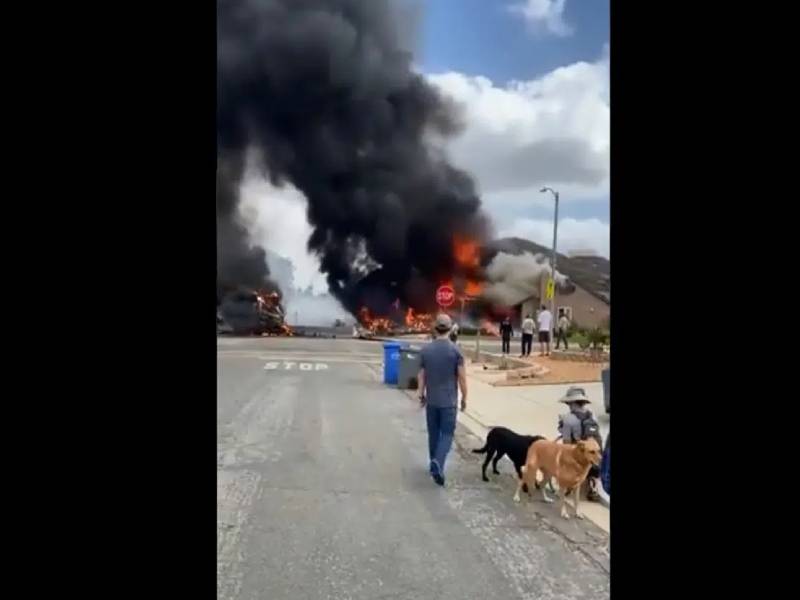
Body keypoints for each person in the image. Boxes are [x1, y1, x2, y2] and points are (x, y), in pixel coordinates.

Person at [418, 314, 468, 486]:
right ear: (450, 328)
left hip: (432, 401)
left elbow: (422, 375)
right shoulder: (455, 351)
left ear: (435, 328)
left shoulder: (426, 350)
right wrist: (465, 397)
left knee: (433, 433)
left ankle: (433, 463)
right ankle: (438, 463)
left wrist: (420, 394)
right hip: (449, 402)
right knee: (446, 434)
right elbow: (462, 377)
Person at [557, 387, 603, 502]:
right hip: (596, 447)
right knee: (595, 462)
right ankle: (593, 487)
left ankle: (569, 485)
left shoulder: (568, 419)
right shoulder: (592, 415)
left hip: (581, 449)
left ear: (571, 403)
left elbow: (566, 443)